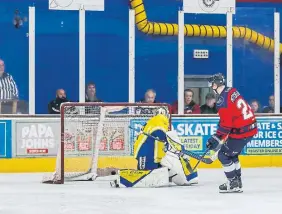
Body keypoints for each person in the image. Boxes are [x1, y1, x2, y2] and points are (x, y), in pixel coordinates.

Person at [113, 108, 198, 187]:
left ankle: (123, 179)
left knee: (155, 172)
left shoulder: (152, 122)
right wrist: (176, 147)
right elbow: (161, 133)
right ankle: (122, 179)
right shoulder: (159, 120)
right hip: (145, 153)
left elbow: (160, 136)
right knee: (146, 174)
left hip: (146, 153)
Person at [206, 73, 257, 193]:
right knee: (232, 154)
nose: (211, 86)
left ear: (215, 84)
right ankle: (237, 182)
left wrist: (215, 138)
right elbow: (231, 114)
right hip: (250, 127)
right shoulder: (231, 90)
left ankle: (233, 182)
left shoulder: (221, 102)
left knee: (223, 155)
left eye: (212, 84)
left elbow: (226, 125)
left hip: (242, 131)